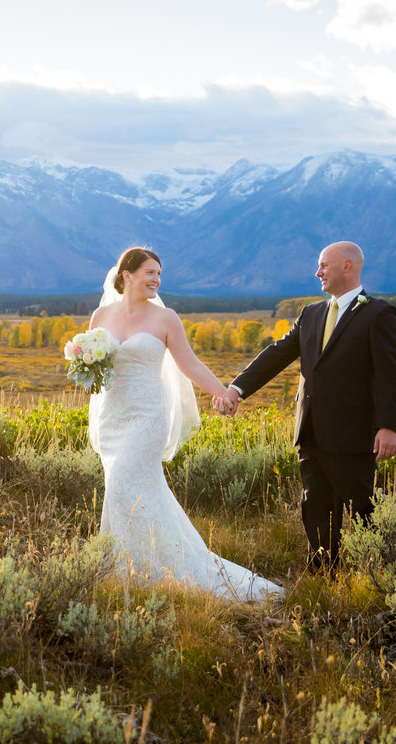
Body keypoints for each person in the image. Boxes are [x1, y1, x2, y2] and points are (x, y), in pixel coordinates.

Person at [87, 246, 282, 601]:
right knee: (130, 492)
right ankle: (134, 568)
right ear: (127, 274)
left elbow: (189, 364)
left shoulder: (166, 319)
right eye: (150, 273)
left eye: (159, 275)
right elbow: (96, 369)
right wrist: (81, 367)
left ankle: (147, 572)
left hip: (146, 418)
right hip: (111, 418)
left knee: (121, 486)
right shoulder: (101, 316)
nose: (156, 280)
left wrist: (223, 392)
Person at [224, 241, 396, 572]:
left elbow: (389, 374)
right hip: (310, 432)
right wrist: (238, 388)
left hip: (353, 435)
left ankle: (387, 576)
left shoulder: (379, 314)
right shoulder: (311, 313)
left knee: (367, 510)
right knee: (316, 507)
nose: (317, 272)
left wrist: (388, 426)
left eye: (323, 266)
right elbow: (278, 353)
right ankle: (323, 576)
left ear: (347, 267)